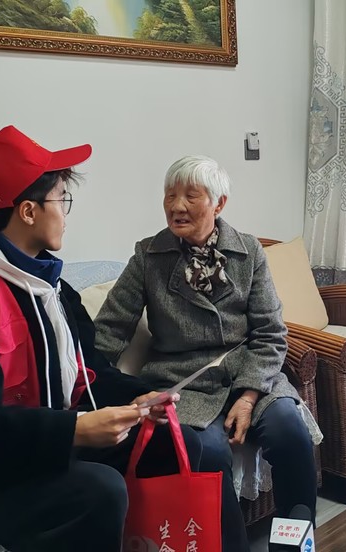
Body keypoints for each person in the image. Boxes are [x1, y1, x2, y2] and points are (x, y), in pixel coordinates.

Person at [0, 126, 202, 551]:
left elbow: (88, 372)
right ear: (28, 211)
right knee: (98, 490)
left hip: (29, 446)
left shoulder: (49, 286)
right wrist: (74, 429)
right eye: (62, 199)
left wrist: (140, 398)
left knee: (175, 442)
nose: (66, 213)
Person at [94, 155, 319, 552]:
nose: (177, 206)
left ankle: (294, 545)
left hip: (250, 374)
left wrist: (249, 396)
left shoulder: (249, 252)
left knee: (291, 432)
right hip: (184, 383)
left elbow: (271, 332)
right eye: (170, 195)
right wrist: (88, 384)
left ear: (219, 204)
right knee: (209, 455)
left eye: (191, 196)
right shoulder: (149, 256)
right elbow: (110, 328)